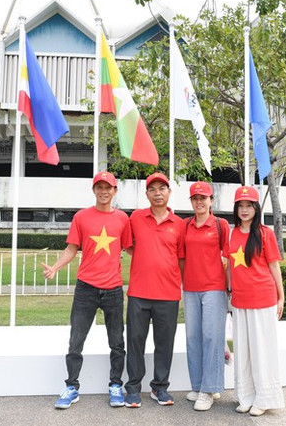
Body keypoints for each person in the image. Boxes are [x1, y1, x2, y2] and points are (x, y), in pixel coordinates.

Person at [42, 171, 132, 410]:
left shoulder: (123, 219)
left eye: (108, 187)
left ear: (115, 191)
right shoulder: (81, 217)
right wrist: (56, 267)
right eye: (99, 187)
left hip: (113, 288)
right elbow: (72, 248)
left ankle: (115, 385)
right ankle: (71, 387)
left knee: (117, 342)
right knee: (76, 340)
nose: (104, 191)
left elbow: (132, 249)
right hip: (86, 288)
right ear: (94, 190)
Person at [123, 172, 185, 408]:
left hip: (168, 294)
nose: (158, 193)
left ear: (169, 192)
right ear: (146, 194)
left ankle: (160, 387)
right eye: (153, 189)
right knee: (135, 342)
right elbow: (129, 247)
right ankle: (133, 388)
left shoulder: (179, 224)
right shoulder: (136, 218)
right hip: (139, 292)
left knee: (164, 343)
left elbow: (180, 258)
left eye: (162, 188)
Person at [226, 186, 285, 417]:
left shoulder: (265, 233)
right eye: (240, 205)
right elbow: (229, 265)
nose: (244, 209)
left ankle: (265, 397)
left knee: (262, 350)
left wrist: (281, 296)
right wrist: (228, 291)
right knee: (243, 350)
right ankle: (246, 396)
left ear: (256, 208)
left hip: (263, 299)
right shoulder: (232, 234)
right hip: (239, 300)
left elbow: (273, 266)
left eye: (249, 205)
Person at [182, 181, 230, 411]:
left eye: (204, 198)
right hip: (190, 288)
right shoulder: (186, 225)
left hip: (214, 287)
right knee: (193, 338)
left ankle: (210, 389)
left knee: (212, 337)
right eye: (195, 198)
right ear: (191, 201)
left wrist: (230, 288)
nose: (199, 202)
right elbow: (181, 257)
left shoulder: (221, 225)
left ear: (212, 200)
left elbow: (229, 259)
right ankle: (199, 384)